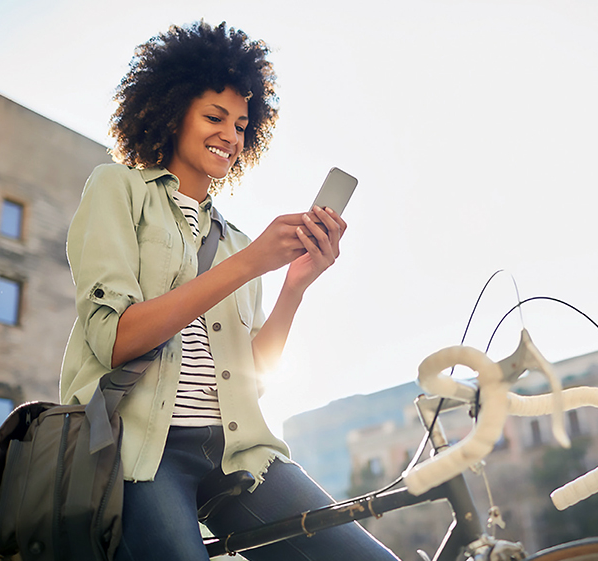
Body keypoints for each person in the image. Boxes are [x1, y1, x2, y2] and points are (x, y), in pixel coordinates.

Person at [59, 21, 400, 561]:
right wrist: (247, 264)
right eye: (214, 117)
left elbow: (251, 378)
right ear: (173, 113)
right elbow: (114, 339)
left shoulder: (237, 240)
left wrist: (294, 286)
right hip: (140, 450)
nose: (230, 135)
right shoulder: (117, 189)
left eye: (242, 124)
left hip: (239, 451)